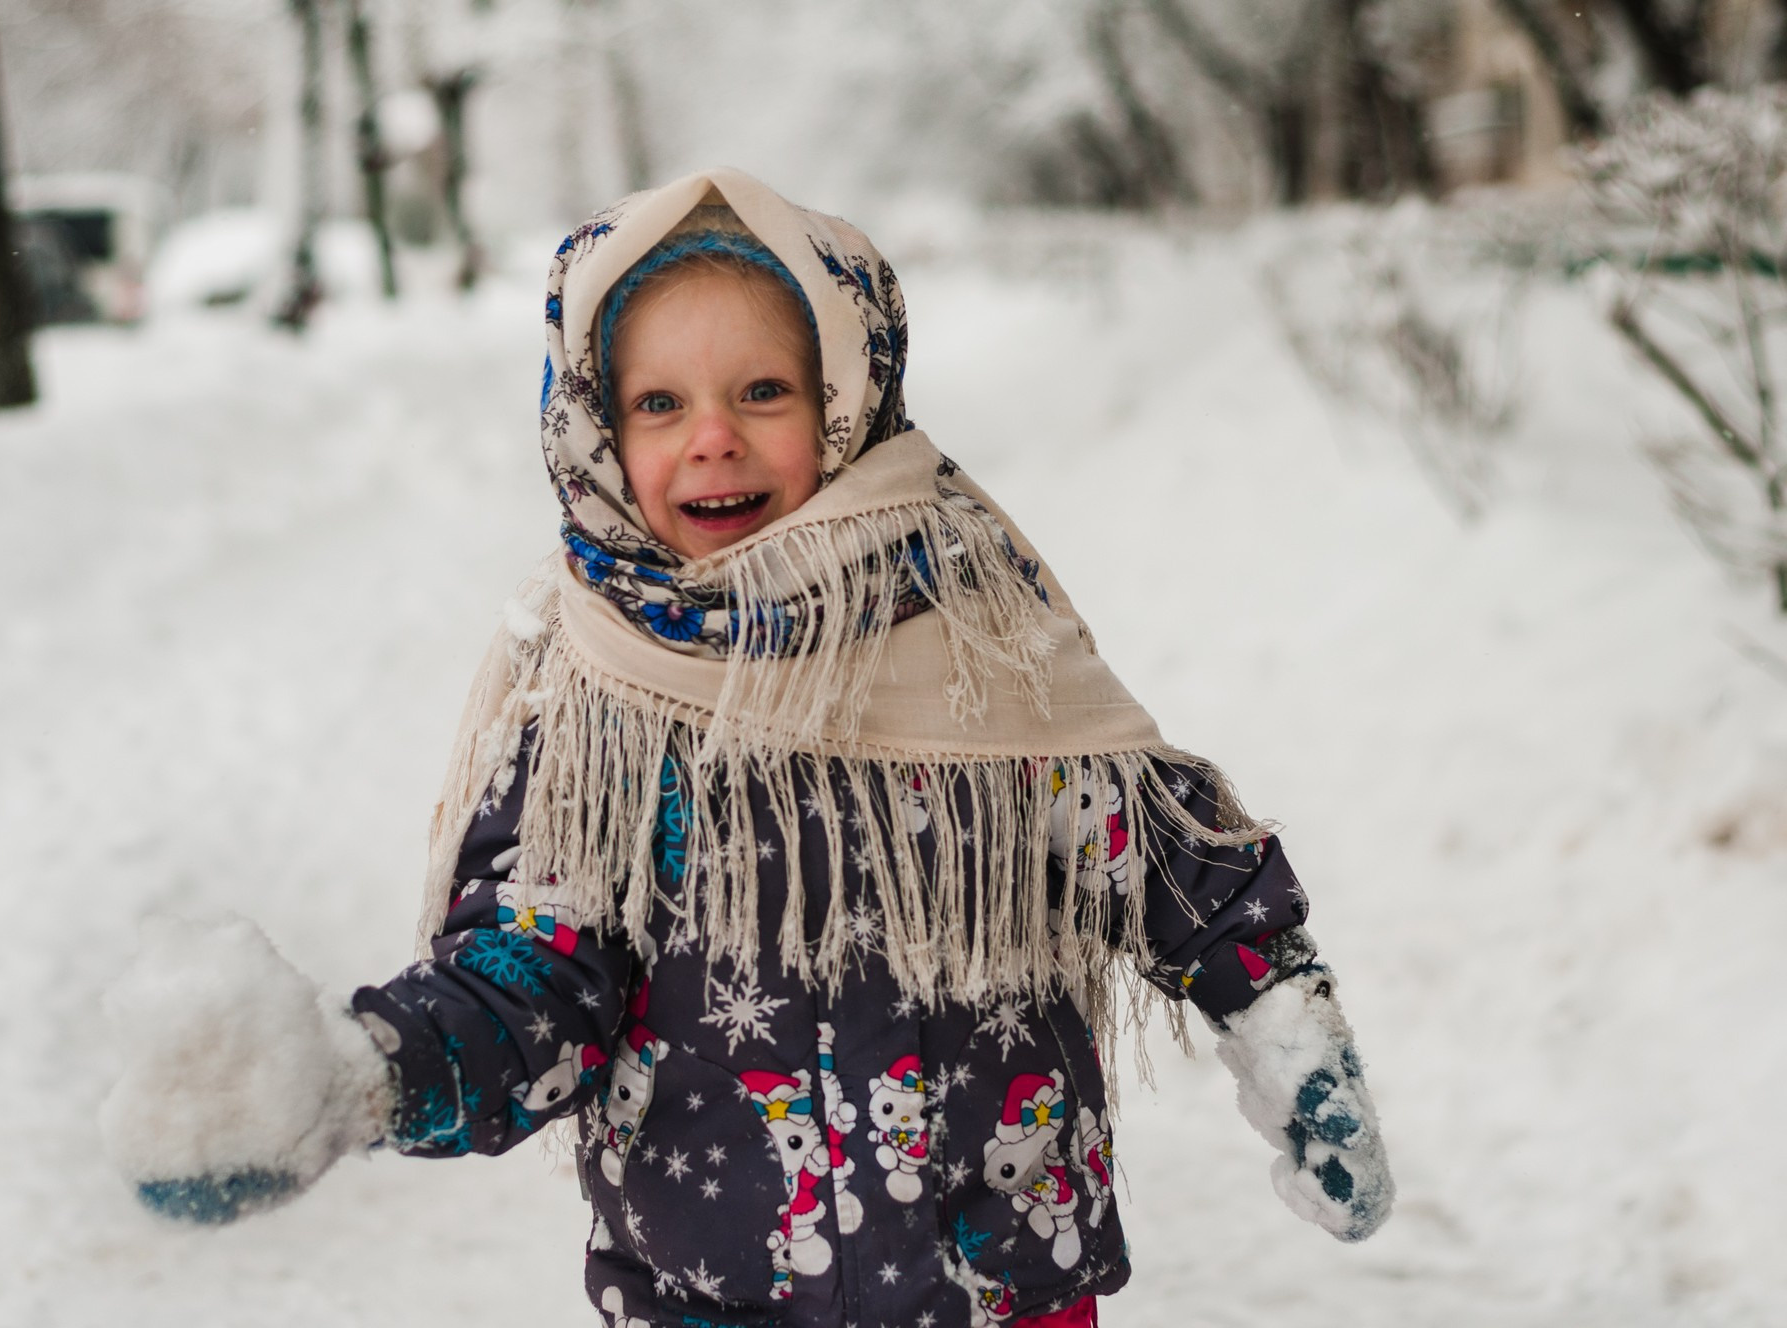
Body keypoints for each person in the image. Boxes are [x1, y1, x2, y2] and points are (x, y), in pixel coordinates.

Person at [101, 169, 1394, 1328]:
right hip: (716, 1297)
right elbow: (530, 982)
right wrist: (365, 1074)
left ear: (846, 398)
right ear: (600, 431)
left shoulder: (976, 637)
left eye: (763, 391)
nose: (710, 434)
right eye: (660, 403)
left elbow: (1147, 847)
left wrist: (1280, 1013)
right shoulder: (594, 708)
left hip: (1004, 1284)